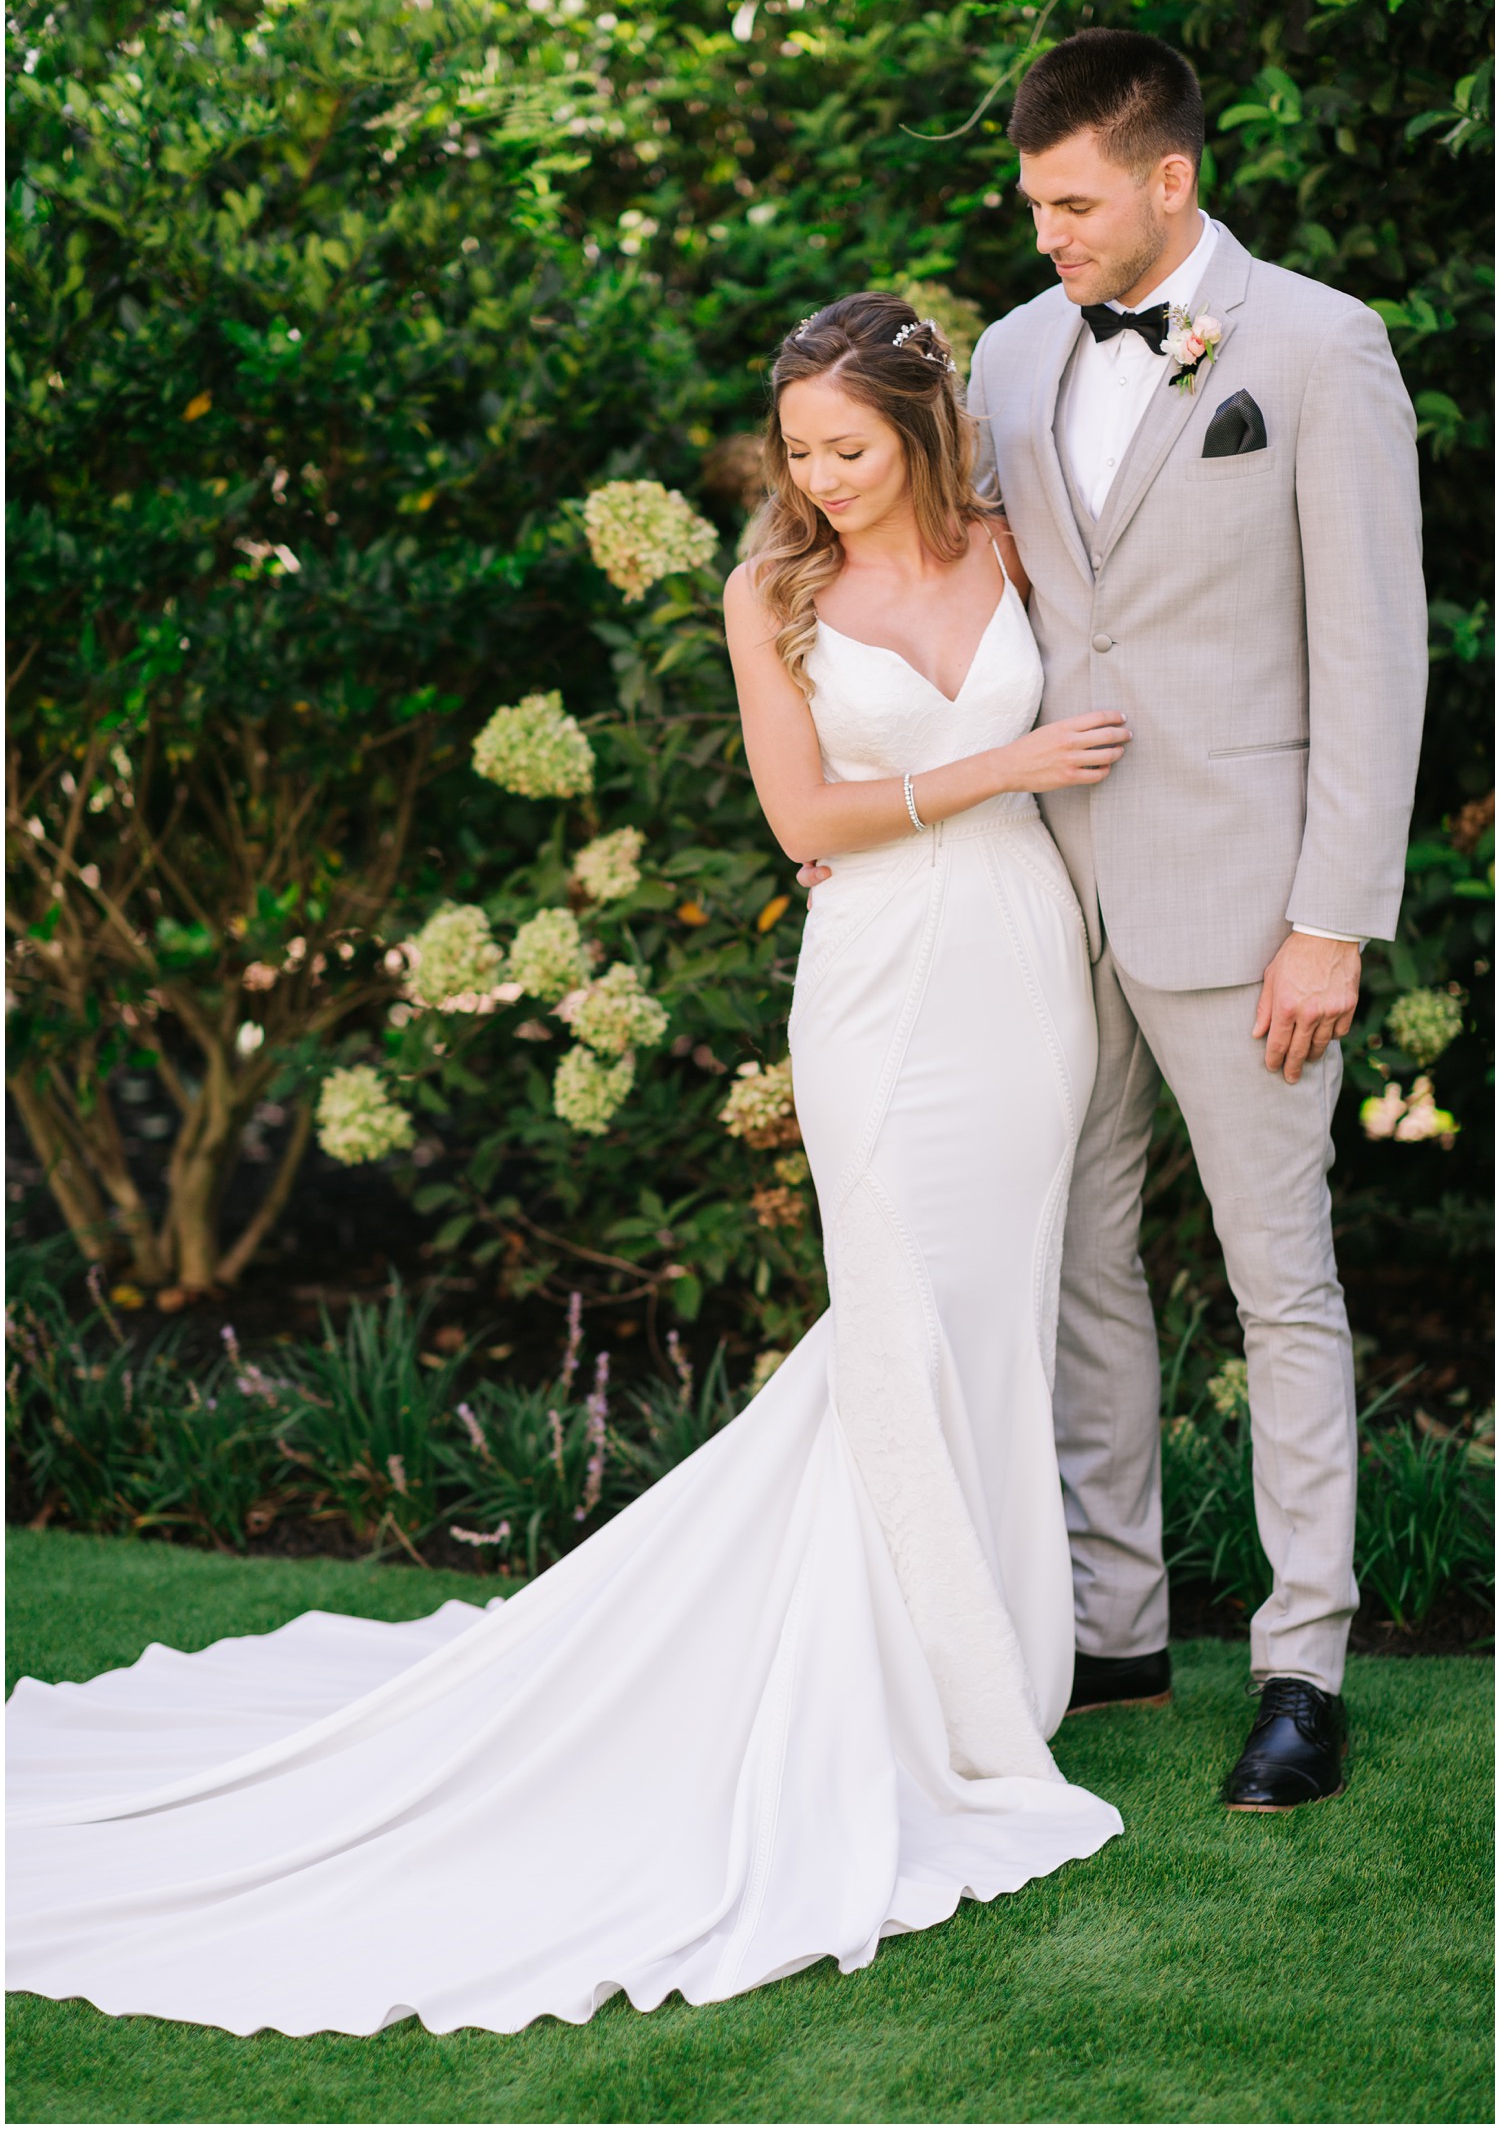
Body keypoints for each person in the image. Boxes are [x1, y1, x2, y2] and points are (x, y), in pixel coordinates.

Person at [6, 291, 1125, 2040]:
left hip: (1026, 971)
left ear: (923, 426)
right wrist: (1006, 766)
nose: (819, 480)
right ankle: (936, 1690)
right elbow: (803, 822)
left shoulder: (1018, 542)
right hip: (884, 985)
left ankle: (996, 1658)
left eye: (848, 448)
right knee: (899, 1317)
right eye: (797, 452)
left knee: (992, 1310)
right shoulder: (774, 594)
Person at [963, 29, 1427, 1807]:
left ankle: (1305, 1662)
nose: (1048, 235)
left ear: (1170, 179)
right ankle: (1118, 1623)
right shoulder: (1012, 353)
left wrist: (1336, 918)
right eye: (1032, 204)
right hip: (1038, 887)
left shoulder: (1319, 346)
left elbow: (1376, 655)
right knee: (1080, 1263)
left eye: (1073, 202)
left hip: (1246, 901)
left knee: (1277, 1278)